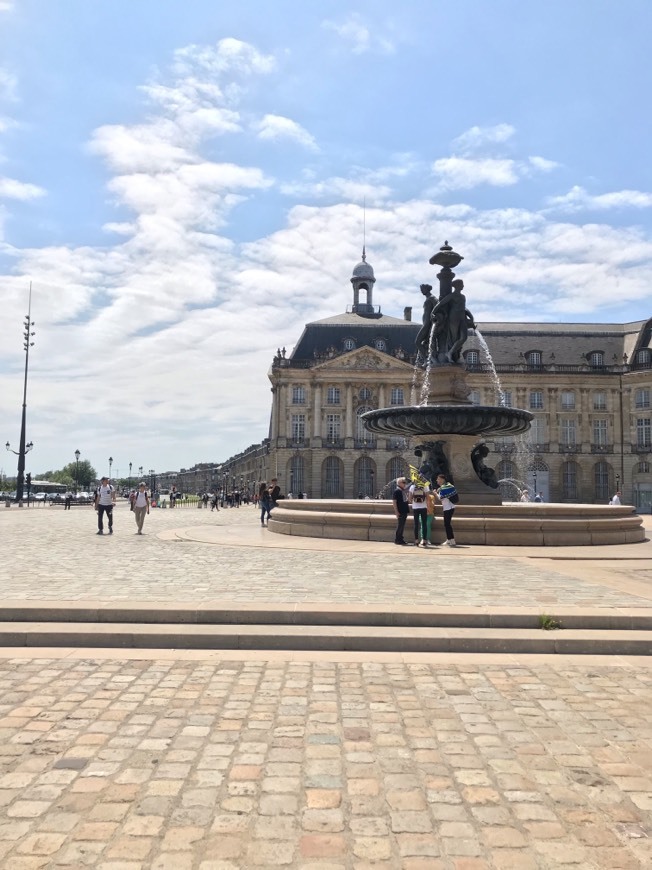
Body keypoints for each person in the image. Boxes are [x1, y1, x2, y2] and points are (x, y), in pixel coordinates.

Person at [430, 279, 476, 364]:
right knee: (454, 338)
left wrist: (471, 317)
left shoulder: (463, 296)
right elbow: (441, 303)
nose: (463, 286)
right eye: (462, 284)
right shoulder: (452, 295)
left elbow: (464, 308)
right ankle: (451, 354)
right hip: (453, 318)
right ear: (457, 286)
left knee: (463, 338)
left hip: (462, 318)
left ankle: (450, 353)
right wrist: (433, 312)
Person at [435, 473, 458, 547]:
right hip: (451, 507)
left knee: (447, 524)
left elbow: (440, 498)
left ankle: (452, 540)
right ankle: (449, 539)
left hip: (447, 508)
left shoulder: (443, 488)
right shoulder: (448, 486)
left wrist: (435, 493)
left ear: (442, 480)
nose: (437, 480)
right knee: (447, 524)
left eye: (438, 479)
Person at [409, 479, 430, 547]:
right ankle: (424, 540)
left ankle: (416, 540)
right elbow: (428, 498)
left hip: (415, 508)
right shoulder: (425, 486)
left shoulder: (412, 487)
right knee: (424, 524)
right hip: (424, 507)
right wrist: (429, 508)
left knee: (416, 524)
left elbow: (410, 499)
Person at [393, 477, 410, 545]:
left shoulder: (402, 491)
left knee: (402, 525)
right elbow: (394, 502)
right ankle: (398, 539)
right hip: (400, 511)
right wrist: (396, 511)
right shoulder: (397, 491)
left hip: (404, 510)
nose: (405, 484)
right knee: (400, 525)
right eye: (403, 482)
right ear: (399, 483)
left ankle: (400, 538)